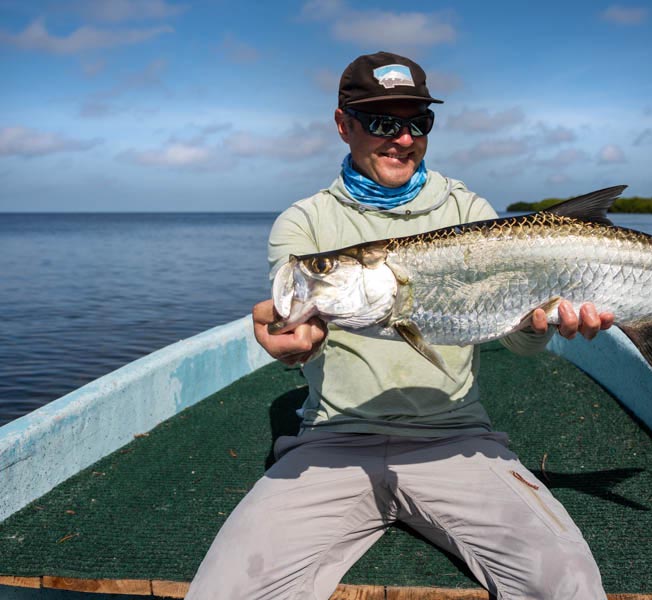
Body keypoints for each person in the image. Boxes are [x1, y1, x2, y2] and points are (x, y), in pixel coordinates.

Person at [186, 51, 614, 600]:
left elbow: (518, 339)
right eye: (383, 122)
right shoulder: (305, 223)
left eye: (418, 122)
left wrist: (541, 324)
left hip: (456, 436)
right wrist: (294, 342)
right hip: (333, 440)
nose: (403, 139)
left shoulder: (470, 210)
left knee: (569, 584)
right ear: (343, 125)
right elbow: (297, 317)